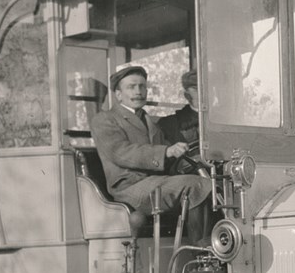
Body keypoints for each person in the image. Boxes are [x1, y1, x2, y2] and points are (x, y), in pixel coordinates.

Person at [89, 65, 214, 243]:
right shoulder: (105, 120)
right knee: (195, 185)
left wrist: (193, 159)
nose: (138, 91)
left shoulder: (149, 121)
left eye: (142, 86)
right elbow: (121, 152)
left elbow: (169, 156)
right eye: (131, 87)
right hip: (130, 188)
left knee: (211, 183)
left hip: (155, 183)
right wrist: (166, 151)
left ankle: (210, 248)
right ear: (118, 94)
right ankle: (202, 250)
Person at [158, 70, 200, 145]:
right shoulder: (168, 124)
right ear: (186, 95)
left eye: (208, 89)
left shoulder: (223, 120)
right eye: (197, 90)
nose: (204, 94)